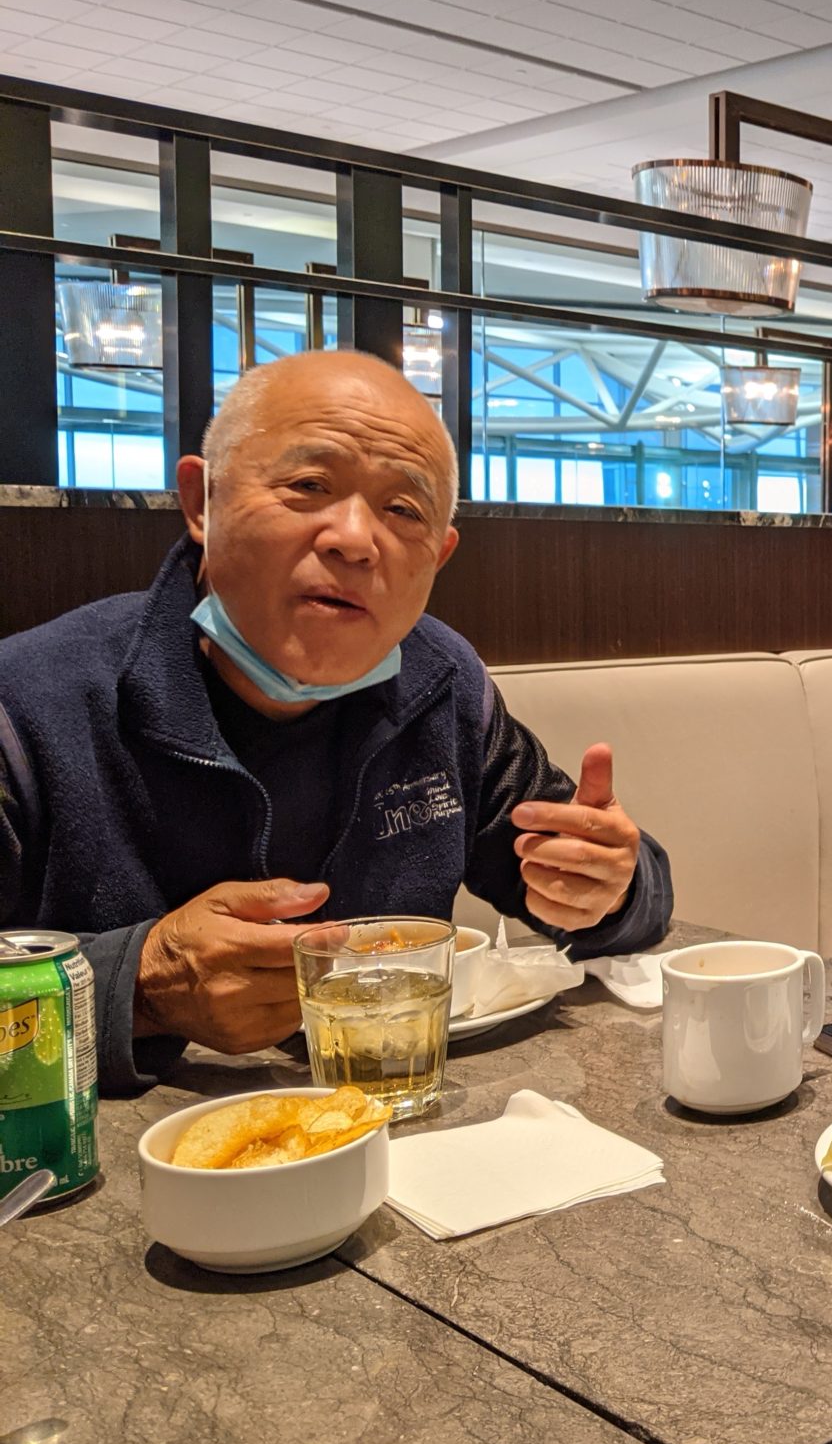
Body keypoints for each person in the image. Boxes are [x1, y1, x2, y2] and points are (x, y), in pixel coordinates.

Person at [0, 350, 673, 1095]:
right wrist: (138, 986)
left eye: (403, 511)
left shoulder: (442, 685)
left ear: (438, 556)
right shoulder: (25, 707)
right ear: (201, 501)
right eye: (309, 486)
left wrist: (610, 886)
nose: (354, 539)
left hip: (399, 1131)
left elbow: (618, 894)